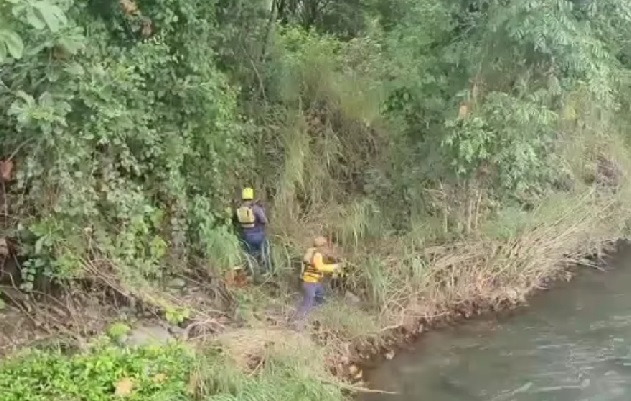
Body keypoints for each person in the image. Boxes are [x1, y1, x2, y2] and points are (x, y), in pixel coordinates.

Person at [292, 236, 342, 327]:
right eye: (325, 245)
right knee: (308, 303)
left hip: (314, 282)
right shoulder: (317, 255)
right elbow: (320, 267)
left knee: (320, 298)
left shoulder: (312, 252)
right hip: (310, 283)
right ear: (322, 246)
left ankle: (301, 312)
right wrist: (334, 267)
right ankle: (298, 323)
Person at [233, 187, 270, 273]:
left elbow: (235, 222)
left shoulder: (239, 210)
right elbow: (264, 220)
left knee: (250, 255)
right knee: (264, 254)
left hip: (246, 237)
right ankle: (265, 271)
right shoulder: (256, 209)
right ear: (252, 197)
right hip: (259, 236)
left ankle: (252, 271)